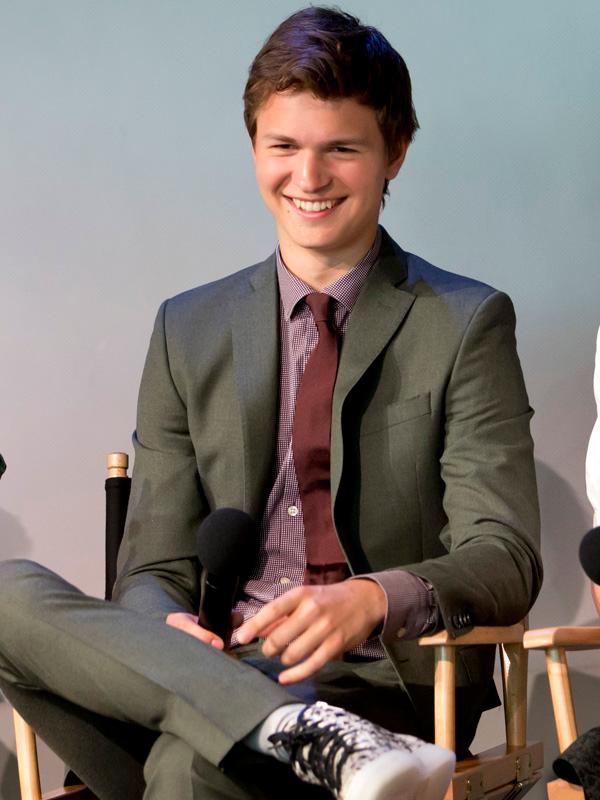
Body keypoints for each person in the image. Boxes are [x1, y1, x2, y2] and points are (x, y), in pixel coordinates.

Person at [0, 7, 542, 800]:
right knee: (6, 590)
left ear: (395, 153)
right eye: (283, 146)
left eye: (341, 150)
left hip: (376, 689)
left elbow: (504, 555)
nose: (308, 178)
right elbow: (152, 565)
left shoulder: (464, 321)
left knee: (191, 766)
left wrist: (369, 599)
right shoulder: (187, 326)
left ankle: (297, 730)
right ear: (254, 145)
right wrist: (160, 626)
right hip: (199, 672)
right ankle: (280, 728)